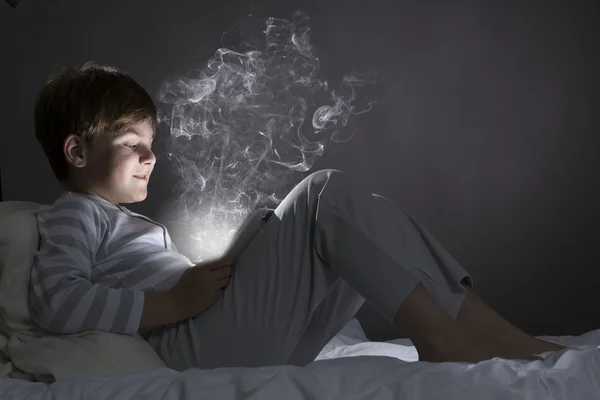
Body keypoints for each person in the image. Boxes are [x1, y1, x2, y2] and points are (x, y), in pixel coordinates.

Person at [29, 61, 567, 371]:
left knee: (361, 229)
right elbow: (56, 300)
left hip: (209, 336)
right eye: (131, 143)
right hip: (190, 349)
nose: (151, 157)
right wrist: (175, 300)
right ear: (77, 152)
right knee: (324, 193)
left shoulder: (125, 223)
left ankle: (497, 337)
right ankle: (448, 340)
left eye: (151, 143)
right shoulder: (76, 213)